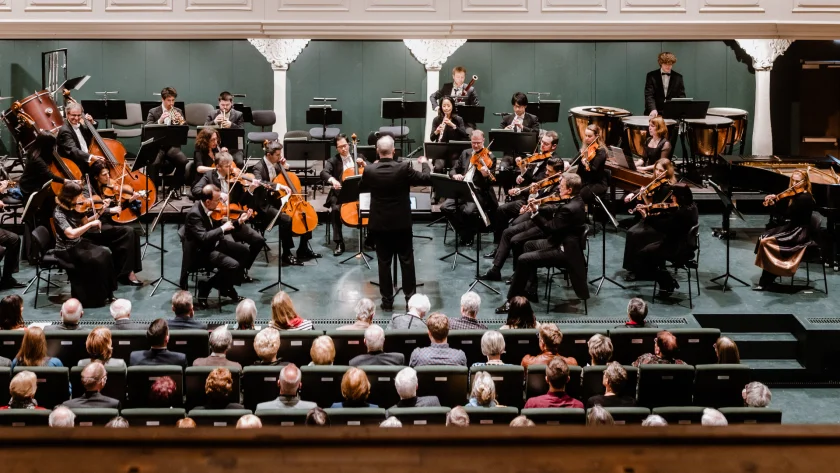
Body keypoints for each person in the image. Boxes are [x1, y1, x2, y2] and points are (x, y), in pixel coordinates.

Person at [497, 173, 589, 312]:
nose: (558, 187)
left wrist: (534, 214)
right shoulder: (577, 199)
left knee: (523, 259)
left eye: (562, 186)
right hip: (560, 241)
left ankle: (512, 301)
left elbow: (549, 228)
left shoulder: (570, 208)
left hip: (564, 250)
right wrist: (538, 207)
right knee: (528, 245)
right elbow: (555, 208)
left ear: (569, 190)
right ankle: (530, 288)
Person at [361, 135, 431, 310]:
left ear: (377, 151)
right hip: (401, 224)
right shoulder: (403, 168)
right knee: (406, 261)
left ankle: (387, 301)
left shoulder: (369, 170)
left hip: (380, 225)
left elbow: (361, 187)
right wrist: (424, 163)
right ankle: (410, 300)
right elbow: (425, 179)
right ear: (394, 151)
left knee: (383, 263)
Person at [481, 157, 565, 279]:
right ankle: (495, 270)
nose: (546, 173)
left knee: (516, 240)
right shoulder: (549, 181)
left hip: (544, 224)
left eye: (549, 171)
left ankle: (518, 275)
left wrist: (535, 206)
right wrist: (532, 197)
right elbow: (538, 195)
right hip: (534, 219)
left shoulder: (561, 187)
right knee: (507, 232)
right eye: (546, 169)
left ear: (559, 173)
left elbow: (553, 207)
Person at [190, 152, 265, 283]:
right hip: (219, 223)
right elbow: (195, 190)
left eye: (231, 165)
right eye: (226, 166)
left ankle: (242, 270)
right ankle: (231, 276)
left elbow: (243, 201)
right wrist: (217, 195)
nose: (231, 169)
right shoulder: (209, 176)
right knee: (232, 247)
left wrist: (251, 190)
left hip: (234, 220)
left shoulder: (235, 178)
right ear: (218, 167)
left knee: (258, 240)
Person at [489, 133, 563, 251]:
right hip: (526, 197)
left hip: (536, 202)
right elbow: (530, 178)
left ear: (553, 147)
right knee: (501, 210)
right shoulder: (538, 156)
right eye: (541, 142)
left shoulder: (553, 163)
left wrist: (520, 190)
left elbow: (539, 184)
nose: (542, 145)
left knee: (514, 225)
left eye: (546, 144)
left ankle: (509, 248)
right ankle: (499, 246)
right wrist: (522, 173)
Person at [250, 140, 318, 266]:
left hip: (277, 201)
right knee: (286, 219)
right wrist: (278, 186)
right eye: (277, 155)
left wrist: (285, 166)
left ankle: (303, 248)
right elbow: (260, 183)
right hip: (264, 206)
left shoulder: (276, 164)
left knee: (305, 212)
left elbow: (286, 177)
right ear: (269, 155)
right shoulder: (258, 167)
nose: (280, 157)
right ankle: (286, 253)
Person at [182, 184, 252, 307]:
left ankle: (225, 286)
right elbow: (204, 237)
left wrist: (239, 221)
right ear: (208, 202)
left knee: (245, 252)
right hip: (201, 252)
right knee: (233, 266)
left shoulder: (210, 209)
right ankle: (207, 287)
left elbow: (222, 230)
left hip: (214, 244)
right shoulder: (195, 215)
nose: (220, 202)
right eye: (217, 200)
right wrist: (222, 228)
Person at [51, 181, 117, 307]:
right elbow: (71, 234)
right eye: (78, 195)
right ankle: (93, 298)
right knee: (96, 260)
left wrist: (100, 211)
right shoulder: (59, 213)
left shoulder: (75, 206)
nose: (81, 198)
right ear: (69, 196)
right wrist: (90, 225)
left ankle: (109, 293)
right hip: (66, 250)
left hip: (78, 244)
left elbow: (86, 222)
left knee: (106, 253)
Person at [627, 184, 699, 295]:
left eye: (673, 195)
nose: (671, 198)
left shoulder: (681, 214)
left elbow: (664, 227)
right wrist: (658, 213)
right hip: (686, 245)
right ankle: (665, 279)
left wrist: (647, 217)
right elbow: (671, 218)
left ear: (680, 197)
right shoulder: (692, 207)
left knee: (642, 255)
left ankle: (667, 282)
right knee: (650, 251)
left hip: (675, 248)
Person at [754, 169, 816, 291]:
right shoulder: (797, 195)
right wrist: (776, 197)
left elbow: (785, 216)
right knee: (763, 236)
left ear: (804, 182)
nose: (794, 183)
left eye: (797, 181)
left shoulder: (804, 198)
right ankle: (768, 279)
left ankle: (767, 280)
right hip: (792, 227)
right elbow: (788, 204)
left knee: (767, 242)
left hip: (799, 232)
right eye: (793, 179)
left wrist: (774, 204)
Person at [85, 160, 144, 287]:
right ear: (96, 177)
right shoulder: (87, 190)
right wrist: (107, 210)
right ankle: (127, 273)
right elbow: (89, 210)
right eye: (104, 175)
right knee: (128, 232)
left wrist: (128, 201)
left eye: (108, 174)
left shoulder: (108, 187)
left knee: (133, 233)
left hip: (106, 223)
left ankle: (127, 271)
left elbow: (117, 209)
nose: (108, 177)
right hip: (93, 226)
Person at [440, 129, 496, 247]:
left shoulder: (490, 157)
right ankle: (464, 232)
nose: (475, 145)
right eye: (473, 142)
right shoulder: (466, 153)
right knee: (445, 207)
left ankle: (468, 235)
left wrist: (485, 175)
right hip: (462, 188)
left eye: (478, 143)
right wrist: (455, 175)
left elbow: (489, 183)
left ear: (483, 141)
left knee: (468, 211)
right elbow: (454, 169)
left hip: (477, 191)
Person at [321, 134, 368, 256]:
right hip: (340, 194)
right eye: (340, 147)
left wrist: (364, 164)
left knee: (373, 206)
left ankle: (371, 239)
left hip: (359, 193)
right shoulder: (333, 161)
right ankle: (339, 242)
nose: (344, 149)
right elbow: (324, 172)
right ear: (336, 148)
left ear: (349, 145)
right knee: (335, 210)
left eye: (345, 146)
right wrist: (333, 180)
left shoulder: (359, 157)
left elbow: (373, 169)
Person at [145, 86, 188, 191]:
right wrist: (160, 121)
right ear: (162, 99)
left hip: (171, 146)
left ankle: (173, 189)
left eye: (173, 100)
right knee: (153, 164)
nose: (171, 103)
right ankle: (153, 191)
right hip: (157, 146)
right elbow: (148, 128)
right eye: (169, 100)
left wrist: (181, 121)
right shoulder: (153, 112)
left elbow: (184, 129)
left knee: (183, 161)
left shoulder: (178, 111)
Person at [498, 92, 540, 193]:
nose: (517, 109)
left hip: (526, 153)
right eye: (515, 106)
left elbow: (536, 133)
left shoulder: (532, 119)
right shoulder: (507, 119)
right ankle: (508, 192)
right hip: (510, 154)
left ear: (525, 106)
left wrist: (523, 127)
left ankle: (523, 193)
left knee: (528, 168)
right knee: (502, 168)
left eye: (520, 107)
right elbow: (498, 133)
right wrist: (505, 130)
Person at [57, 102, 104, 174]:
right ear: (67, 114)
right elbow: (73, 150)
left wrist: (92, 123)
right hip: (74, 165)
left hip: (84, 159)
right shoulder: (65, 130)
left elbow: (88, 135)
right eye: (73, 115)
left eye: (79, 115)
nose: (76, 118)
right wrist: (91, 157)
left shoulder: (79, 125)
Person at [204, 91, 245, 167]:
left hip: (233, 147)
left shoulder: (238, 114)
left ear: (231, 103)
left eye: (227, 105)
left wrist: (231, 125)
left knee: (239, 162)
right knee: (210, 162)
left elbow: (242, 131)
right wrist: (215, 122)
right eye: (222, 105)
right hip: (215, 147)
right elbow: (204, 128)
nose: (225, 107)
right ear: (219, 103)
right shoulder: (212, 114)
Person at [430, 96, 469, 173]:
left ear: (452, 106)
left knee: (457, 169)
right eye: (444, 106)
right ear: (441, 107)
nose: (446, 108)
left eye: (448, 106)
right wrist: (437, 132)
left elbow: (465, 135)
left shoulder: (458, 119)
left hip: (455, 152)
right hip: (441, 152)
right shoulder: (436, 120)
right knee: (438, 167)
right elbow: (432, 138)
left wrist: (453, 125)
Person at [644, 52, 686, 118]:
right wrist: (653, 109)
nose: (668, 66)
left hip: (672, 114)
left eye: (670, 64)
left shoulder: (678, 77)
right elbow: (649, 95)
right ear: (661, 63)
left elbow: (681, 97)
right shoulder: (651, 76)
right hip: (655, 113)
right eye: (666, 64)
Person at [575, 124, 608, 205]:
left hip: (596, 182)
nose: (586, 138)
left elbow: (593, 169)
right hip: (584, 181)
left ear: (596, 136)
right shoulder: (585, 148)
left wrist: (586, 163)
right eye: (585, 135)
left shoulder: (601, 151)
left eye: (589, 136)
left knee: (579, 195)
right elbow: (573, 161)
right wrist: (566, 164)